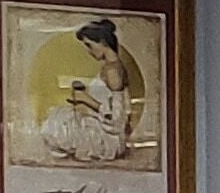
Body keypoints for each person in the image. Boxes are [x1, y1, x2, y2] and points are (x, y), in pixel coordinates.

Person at [41, 17, 143, 164]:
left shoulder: (113, 71)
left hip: (107, 137)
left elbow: (117, 119)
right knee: (58, 116)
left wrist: (85, 99)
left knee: (56, 123)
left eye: (89, 45)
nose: (89, 51)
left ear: (102, 42)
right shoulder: (110, 67)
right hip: (99, 126)